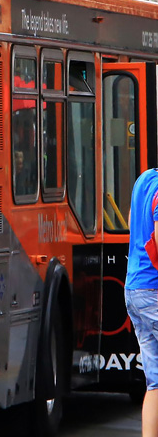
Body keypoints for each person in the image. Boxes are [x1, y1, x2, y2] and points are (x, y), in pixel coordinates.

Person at [126, 168, 158, 437]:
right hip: (154, 290)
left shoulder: (144, 180)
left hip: (134, 288)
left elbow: (132, 222)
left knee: (155, 382)